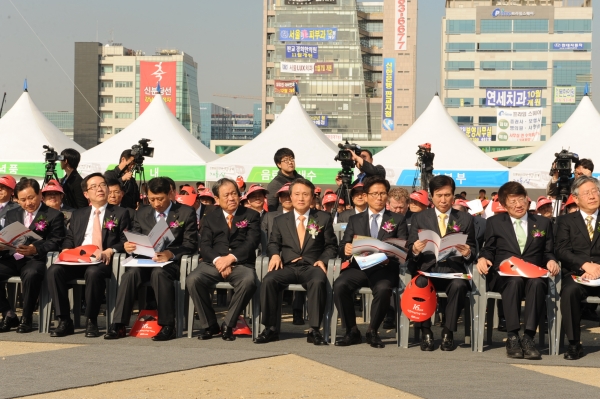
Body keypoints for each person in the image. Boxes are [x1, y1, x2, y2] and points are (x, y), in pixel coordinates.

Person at [105, 177, 197, 341]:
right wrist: (128, 245)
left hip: (170, 264)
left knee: (158, 274)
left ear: (170, 194)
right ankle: (118, 324)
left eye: (160, 199)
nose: (156, 204)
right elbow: (134, 236)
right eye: (151, 199)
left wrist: (171, 253)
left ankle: (167, 325)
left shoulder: (185, 212)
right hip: (144, 260)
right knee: (129, 275)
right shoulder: (142, 213)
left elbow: (190, 244)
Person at [477, 182, 559, 359]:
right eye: (512, 202)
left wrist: (551, 260)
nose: (518, 205)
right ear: (505, 205)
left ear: (527, 200)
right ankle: (513, 336)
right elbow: (488, 249)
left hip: (533, 274)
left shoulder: (543, 223)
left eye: (521, 199)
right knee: (514, 281)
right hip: (505, 275)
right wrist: (483, 258)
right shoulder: (494, 222)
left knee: (537, 283)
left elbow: (548, 252)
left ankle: (528, 337)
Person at [46, 173, 130, 338]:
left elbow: (124, 240)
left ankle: (91, 320)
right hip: (79, 258)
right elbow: (70, 238)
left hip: (102, 260)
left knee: (93, 273)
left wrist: (110, 250)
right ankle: (64, 320)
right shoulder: (79, 214)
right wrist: (65, 250)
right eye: (94, 186)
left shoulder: (120, 213)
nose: (100, 189)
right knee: (53, 271)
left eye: (102, 185)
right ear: (86, 194)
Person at [255, 178, 337, 345]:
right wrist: (275, 255)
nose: (301, 198)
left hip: (312, 265)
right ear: (290, 197)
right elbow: (273, 243)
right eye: (297, 194)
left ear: (312, 198)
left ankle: (314, 329)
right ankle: (270, 328)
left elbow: (331, 246)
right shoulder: (279, 220)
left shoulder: (323, 218)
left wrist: (323, 259)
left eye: (305, 194)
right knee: (269, 280)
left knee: (318, 280)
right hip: (288, 265)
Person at [334, 176, 408, 348]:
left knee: (383, 289)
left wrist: (386, 254)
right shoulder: (355, 219)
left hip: (384, 267)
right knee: (340, 285)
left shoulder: (397, 219)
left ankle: (372, 331)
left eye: (383, 193)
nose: (379, 197)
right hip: (359, 266)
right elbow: (344, 244)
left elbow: (402, 247)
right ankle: (351, 330)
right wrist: (345, 248)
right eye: (374, 193)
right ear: (366, 196)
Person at [186, 178, 260, 341]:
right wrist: (219, 260)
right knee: (193, 279)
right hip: (214, 262)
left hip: (240, 263)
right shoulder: (210, 218)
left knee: (248, 281)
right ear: (217, 199)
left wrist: (230, 259)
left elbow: (251, 242)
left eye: (234, 193)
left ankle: (229, 324)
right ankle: (210, 325)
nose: (231, 198)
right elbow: (205, 246)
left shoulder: (251, 215)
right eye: (226, 195)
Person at [407, 175, 476, 352]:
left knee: (459, 286)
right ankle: (425, 331)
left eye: (447, 195)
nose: (443, 200)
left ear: (454, 196)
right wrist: (415, 249)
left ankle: (448, 331)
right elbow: (409, 249)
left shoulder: (465, 219)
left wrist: (468, 252)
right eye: (439, 195)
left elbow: (474, 249)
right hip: (428, 270)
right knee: (420, 283)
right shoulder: (420, 218)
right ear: (431, 196)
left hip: (453, 271)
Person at [0, 178, 65, 333]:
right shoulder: (12, 214)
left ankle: (27, 317)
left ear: (40, 194)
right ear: (16, 199)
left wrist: (35, 249)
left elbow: (56, 242)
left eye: (31, 198)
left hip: (35, 259)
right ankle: (8, 313)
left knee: (31, 274)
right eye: (22, 200)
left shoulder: (54, 215)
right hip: (13, 256)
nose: (28, 203)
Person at [554, 176, 600, 360]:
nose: (592, 196)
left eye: (595, 191)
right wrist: (584, 265)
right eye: (586, 193)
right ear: (576, 198)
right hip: (577, 273)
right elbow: (561, 250)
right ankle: (574, 344)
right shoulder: (566, 221)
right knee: (570, 291)